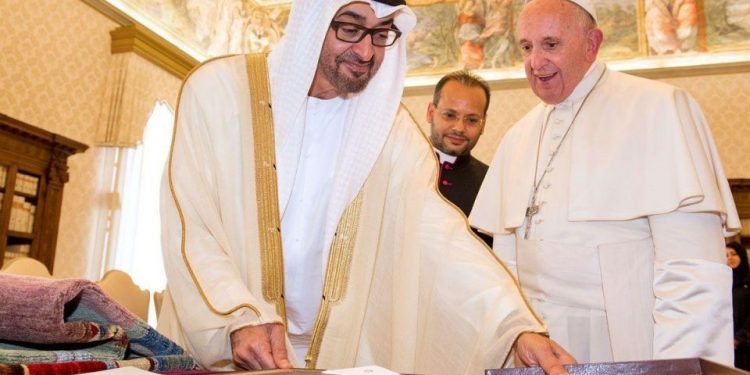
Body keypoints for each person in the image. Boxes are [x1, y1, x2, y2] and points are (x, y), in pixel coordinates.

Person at [158, 1, 575, 374]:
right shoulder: (218, 93)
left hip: (336, 355)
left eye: (381, 33)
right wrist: (238, 316)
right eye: (350, 27)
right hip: (223, 347)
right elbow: (191, 225)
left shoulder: (386, 132)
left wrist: (515, 329)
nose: (366, 52)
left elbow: (441, 242)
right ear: (312, 19)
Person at [470, 0, 740, 366]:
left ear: (591, 44)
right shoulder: (518, 137)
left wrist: (681, 370)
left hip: (629, 349)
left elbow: (693, 275)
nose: (535, 62)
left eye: (550, 44)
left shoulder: (658, 109)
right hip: (536, 354)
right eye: (527, 46)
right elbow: (507, 266)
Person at [428, 70, 493, 246]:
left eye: (471, 120)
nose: (459, 128)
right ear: (430, 113)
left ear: (483, 124)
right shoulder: (399, 167)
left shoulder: (492, 182)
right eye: (450, 115)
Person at [727, 241, 750, 370]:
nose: (729, 258)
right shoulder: (721, 284)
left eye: (734, 254)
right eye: (726, 255)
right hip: (725, 345)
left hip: (745, 346)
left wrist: (740, 337)